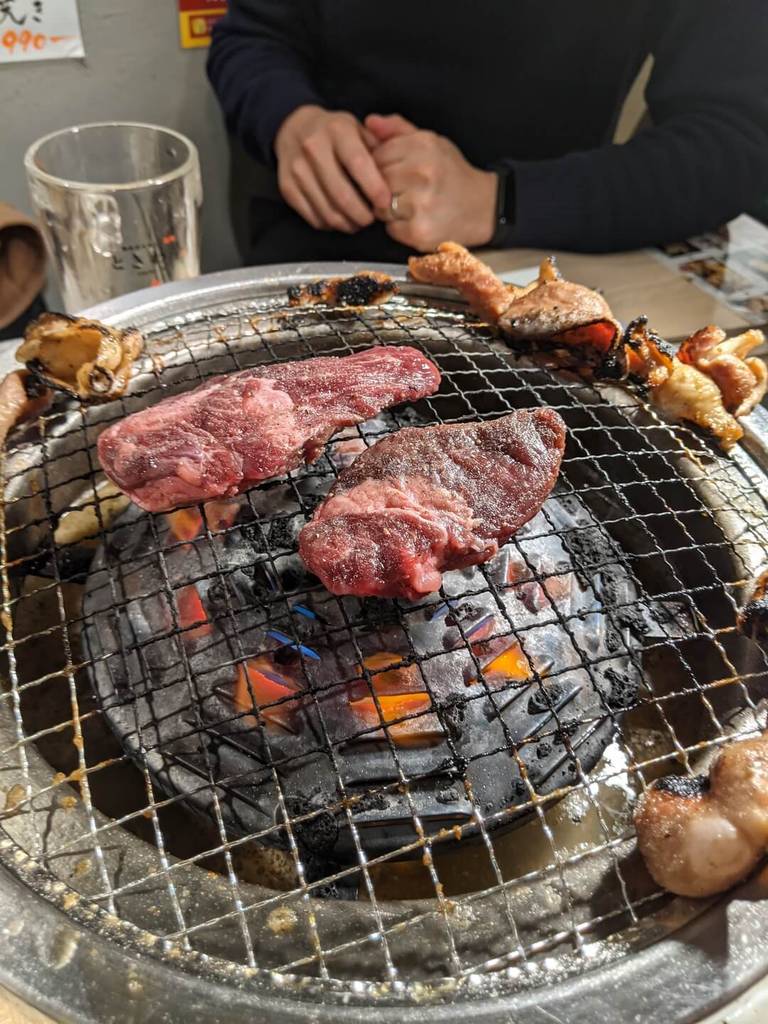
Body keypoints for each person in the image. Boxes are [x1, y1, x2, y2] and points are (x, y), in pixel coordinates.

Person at [208, 1, 768, 264]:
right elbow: (251, 35)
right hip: (323, 236)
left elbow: (736, 140)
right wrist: (291, 119)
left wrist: (499, 200)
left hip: (547, 254)